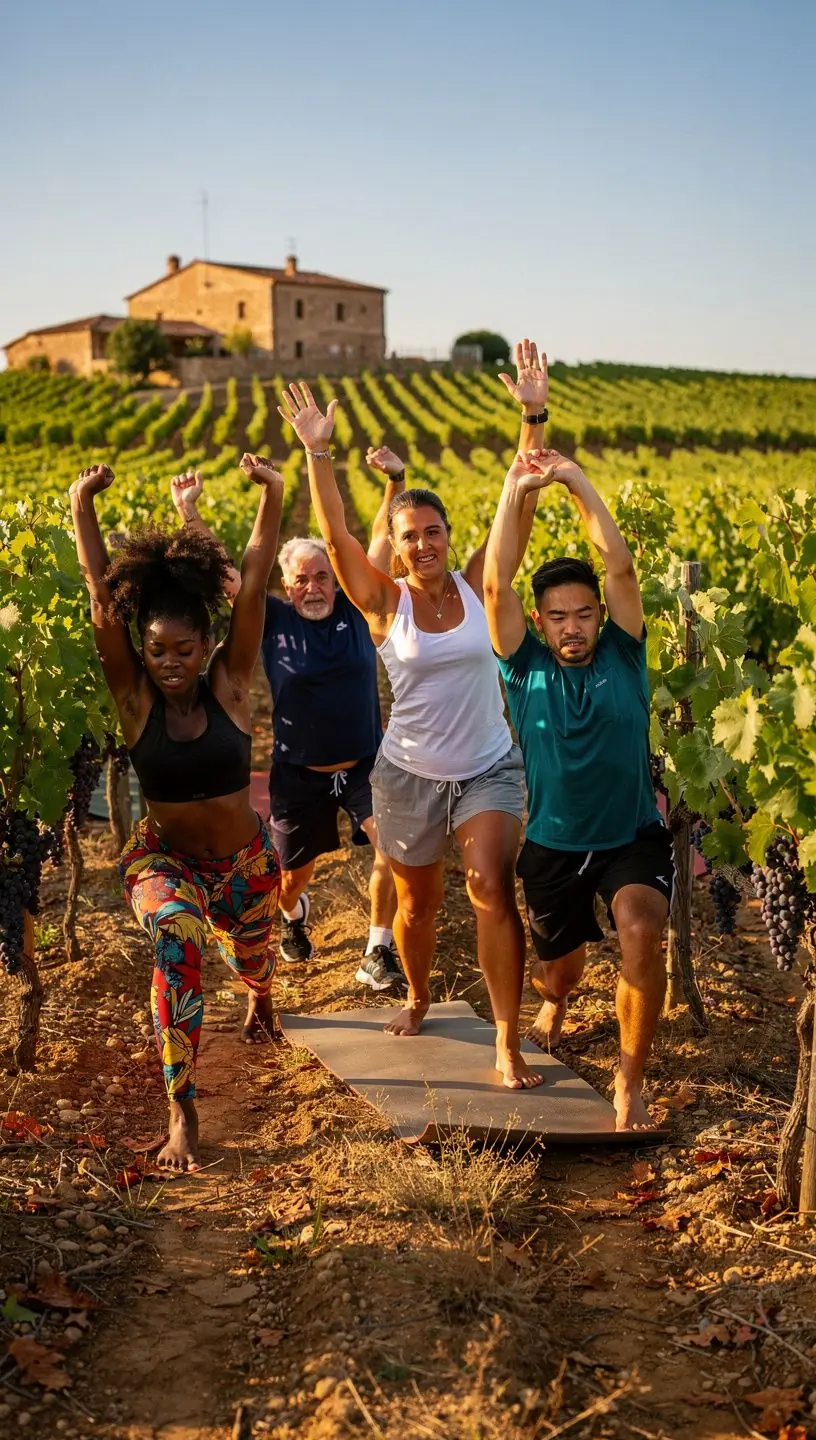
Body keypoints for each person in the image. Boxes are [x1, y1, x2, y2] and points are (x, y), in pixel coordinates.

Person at [278, 341, 550, 1090]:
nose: (424, 544)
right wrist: (319, 454)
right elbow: (337, 535)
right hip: (407, 776)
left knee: (491, 887)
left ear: (447, 536)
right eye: (410, 536)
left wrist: (532, 417)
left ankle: (506, 1040)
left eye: (434, 531)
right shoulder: (382, 604)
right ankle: (420, 996)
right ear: (395, 550)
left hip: (488, 767)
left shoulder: (482, 585)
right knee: (417, 908)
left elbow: (519, 502)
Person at [70, 453, 285, 1172]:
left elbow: (253, 577)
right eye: (156, 649)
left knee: (253, 955)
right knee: (176, 936)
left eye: (182, 649)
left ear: (205, 647)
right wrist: (82, 505)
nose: (168, 661)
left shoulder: (231, 684)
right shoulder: (135, 701)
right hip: (164, 860)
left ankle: (260, 993)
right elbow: (103, 602)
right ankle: (182, 1111)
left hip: (245, 866)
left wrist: (273, 493)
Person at [482, 438, 673, 1130]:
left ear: (600, 615)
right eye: (558, 616)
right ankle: (556, 1000)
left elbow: (619, 565)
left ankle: (629, 1080)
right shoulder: (523, 666)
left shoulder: (626, 653)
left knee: (640, 931)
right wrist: (515, 488)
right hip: (554, 847)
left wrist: (576, 481)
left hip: (631, 837)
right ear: (539, 622)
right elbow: (496, 584)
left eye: (584, 613)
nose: (573, 627)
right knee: (559, 974)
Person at [170, 452, 407, 993]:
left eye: (323, 576)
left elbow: (378, 540)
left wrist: (395, 482)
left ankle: (377, 949)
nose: (315, 587)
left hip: (366, 766)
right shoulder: (271, 618)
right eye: (303, 579)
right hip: (299, 775)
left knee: (392, 849)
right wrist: (189, 512)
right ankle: (295, 915)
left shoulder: (356, 608)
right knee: (288, 879)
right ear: (286, 583)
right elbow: (226, 573)